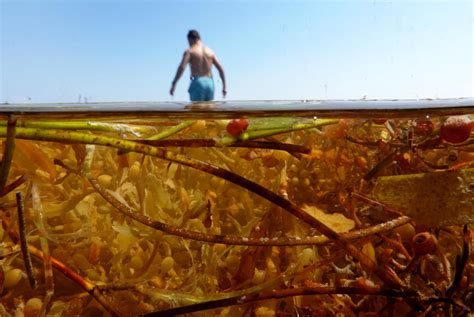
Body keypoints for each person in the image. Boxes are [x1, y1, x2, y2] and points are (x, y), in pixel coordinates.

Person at [170, 30, 227, 101]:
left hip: (198, 83)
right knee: (208, 110)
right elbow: (220, 69)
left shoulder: (190, 51)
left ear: (190, 39)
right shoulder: (210, 51)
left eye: (188, 41)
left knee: (197, 111)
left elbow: (182, 67)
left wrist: (174, 83)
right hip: (210, 83)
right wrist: (224, 86)